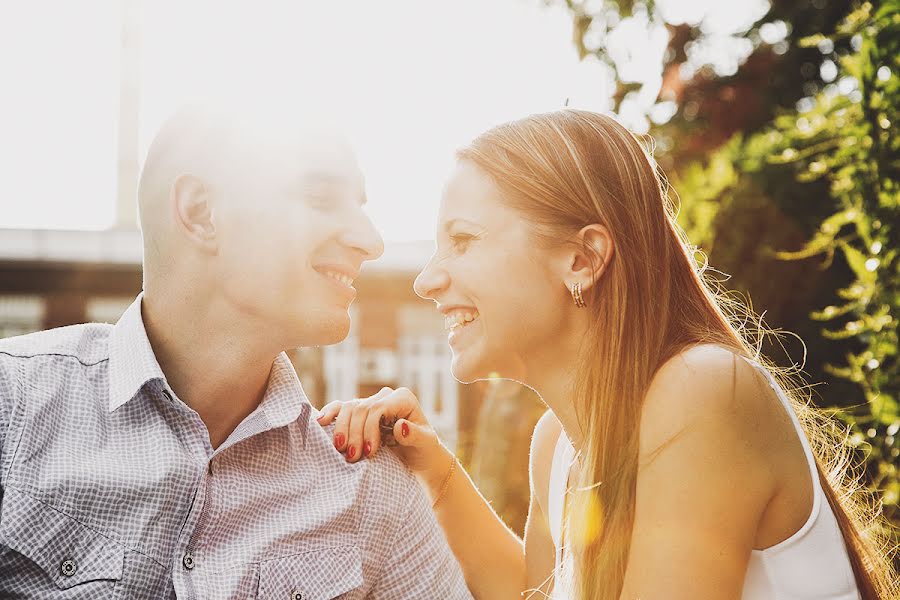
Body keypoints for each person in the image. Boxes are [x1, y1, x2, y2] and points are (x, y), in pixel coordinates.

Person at [317, 109, 898, 599]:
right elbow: (537, 589)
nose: (426, 281)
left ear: (582, 258)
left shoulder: (703, 392)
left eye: (463, 240)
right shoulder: (557, 445)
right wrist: (437, 473)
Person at [0, 103, 473, 599]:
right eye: (320, 198)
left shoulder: (373, 490)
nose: (370, 241)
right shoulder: (13, 408)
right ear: (201, 212)